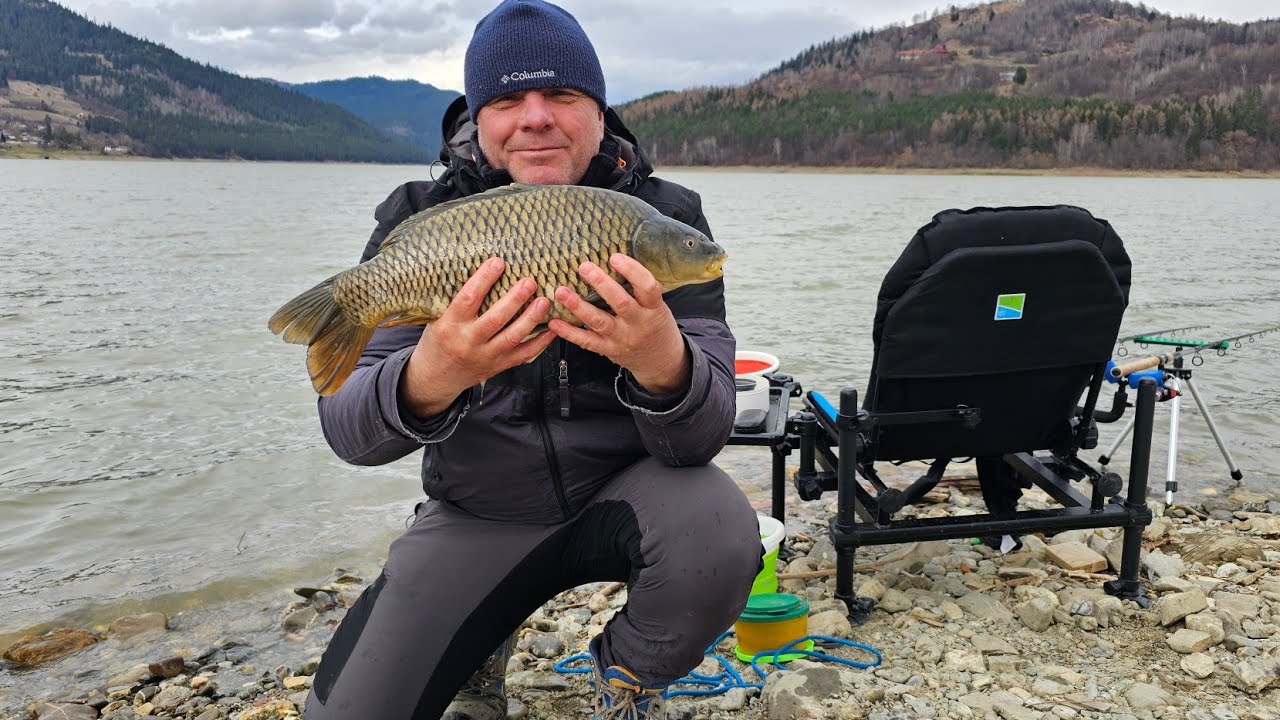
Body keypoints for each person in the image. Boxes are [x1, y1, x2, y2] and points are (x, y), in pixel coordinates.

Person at [301, 1, 761, 718]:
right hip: (479, 511)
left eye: (563, 96)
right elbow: (350, 433)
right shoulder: (418, 218)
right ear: (479, 121)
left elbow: (703, 436)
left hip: (633, 496)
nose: (536, 117)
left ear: (600, 113)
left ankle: (629, 676)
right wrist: (435, 375)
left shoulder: (664, 217)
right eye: (509, 99)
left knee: (723, 530)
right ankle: (480, 655)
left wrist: (662, 361)